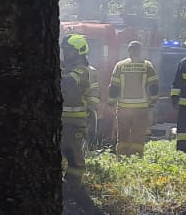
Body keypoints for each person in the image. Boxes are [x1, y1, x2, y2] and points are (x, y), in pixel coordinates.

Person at [107, 40, 159, 156]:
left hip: (123, 108)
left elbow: (114, 86)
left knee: (123, 135)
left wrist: (111, 102)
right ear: (140, 51)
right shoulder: (147, 65)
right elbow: (154, 86)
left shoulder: (120, 65)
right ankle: (136, 157)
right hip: (141, 108)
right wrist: (153, 101)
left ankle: (122, 157)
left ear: (129, 51)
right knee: (138, 135)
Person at [61, 40, 99, 185]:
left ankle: (74, 185)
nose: (66, 53)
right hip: (61, 119)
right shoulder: (65, 68)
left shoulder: (82, 70)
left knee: (73, 155)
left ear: (79, 52)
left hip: (74, 121)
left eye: (69, 51)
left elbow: (69, 81)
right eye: (64, 50)